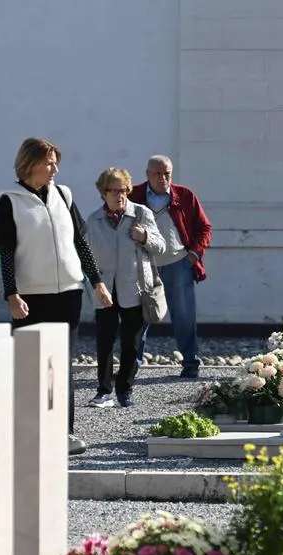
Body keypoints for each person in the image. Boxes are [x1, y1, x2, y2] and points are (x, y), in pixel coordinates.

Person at [0, 138, 113, 457]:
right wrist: (11, 294)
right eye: (48, 163)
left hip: (68, 294)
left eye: (56, 162)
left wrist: (97, 281)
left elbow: (80, 244)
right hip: (30, 297)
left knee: (62, 367)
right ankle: (26, 434)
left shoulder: (63, 194)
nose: (55, 169)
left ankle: (64, 433)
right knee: (29, 366)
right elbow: (5, 252)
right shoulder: (9, 201)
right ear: (30, 165)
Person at [84, 168, 165, 407]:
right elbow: (86, 255)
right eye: (113, 191)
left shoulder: (141, 214)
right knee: (105, 341)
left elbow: (160, 247)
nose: (119, 195)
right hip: (105, 288)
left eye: (123, 190)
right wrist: (93, 284)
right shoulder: (94, 220)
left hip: (136, 288)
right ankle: (103, 390)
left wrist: (144, 237)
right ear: (103, 192)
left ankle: (125, 389)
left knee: (131, 343)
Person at [129, 155, 211, 378]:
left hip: (178, 263)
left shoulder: (184, 195)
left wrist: (194, 253)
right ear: (147, 174)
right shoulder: (133, 196)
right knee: (140, 316)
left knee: (184, 315)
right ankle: (132, 365)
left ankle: (191, 362)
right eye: (157, 173)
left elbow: (204, 227)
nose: (162, 178)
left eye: (167, 173)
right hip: (145, 265)